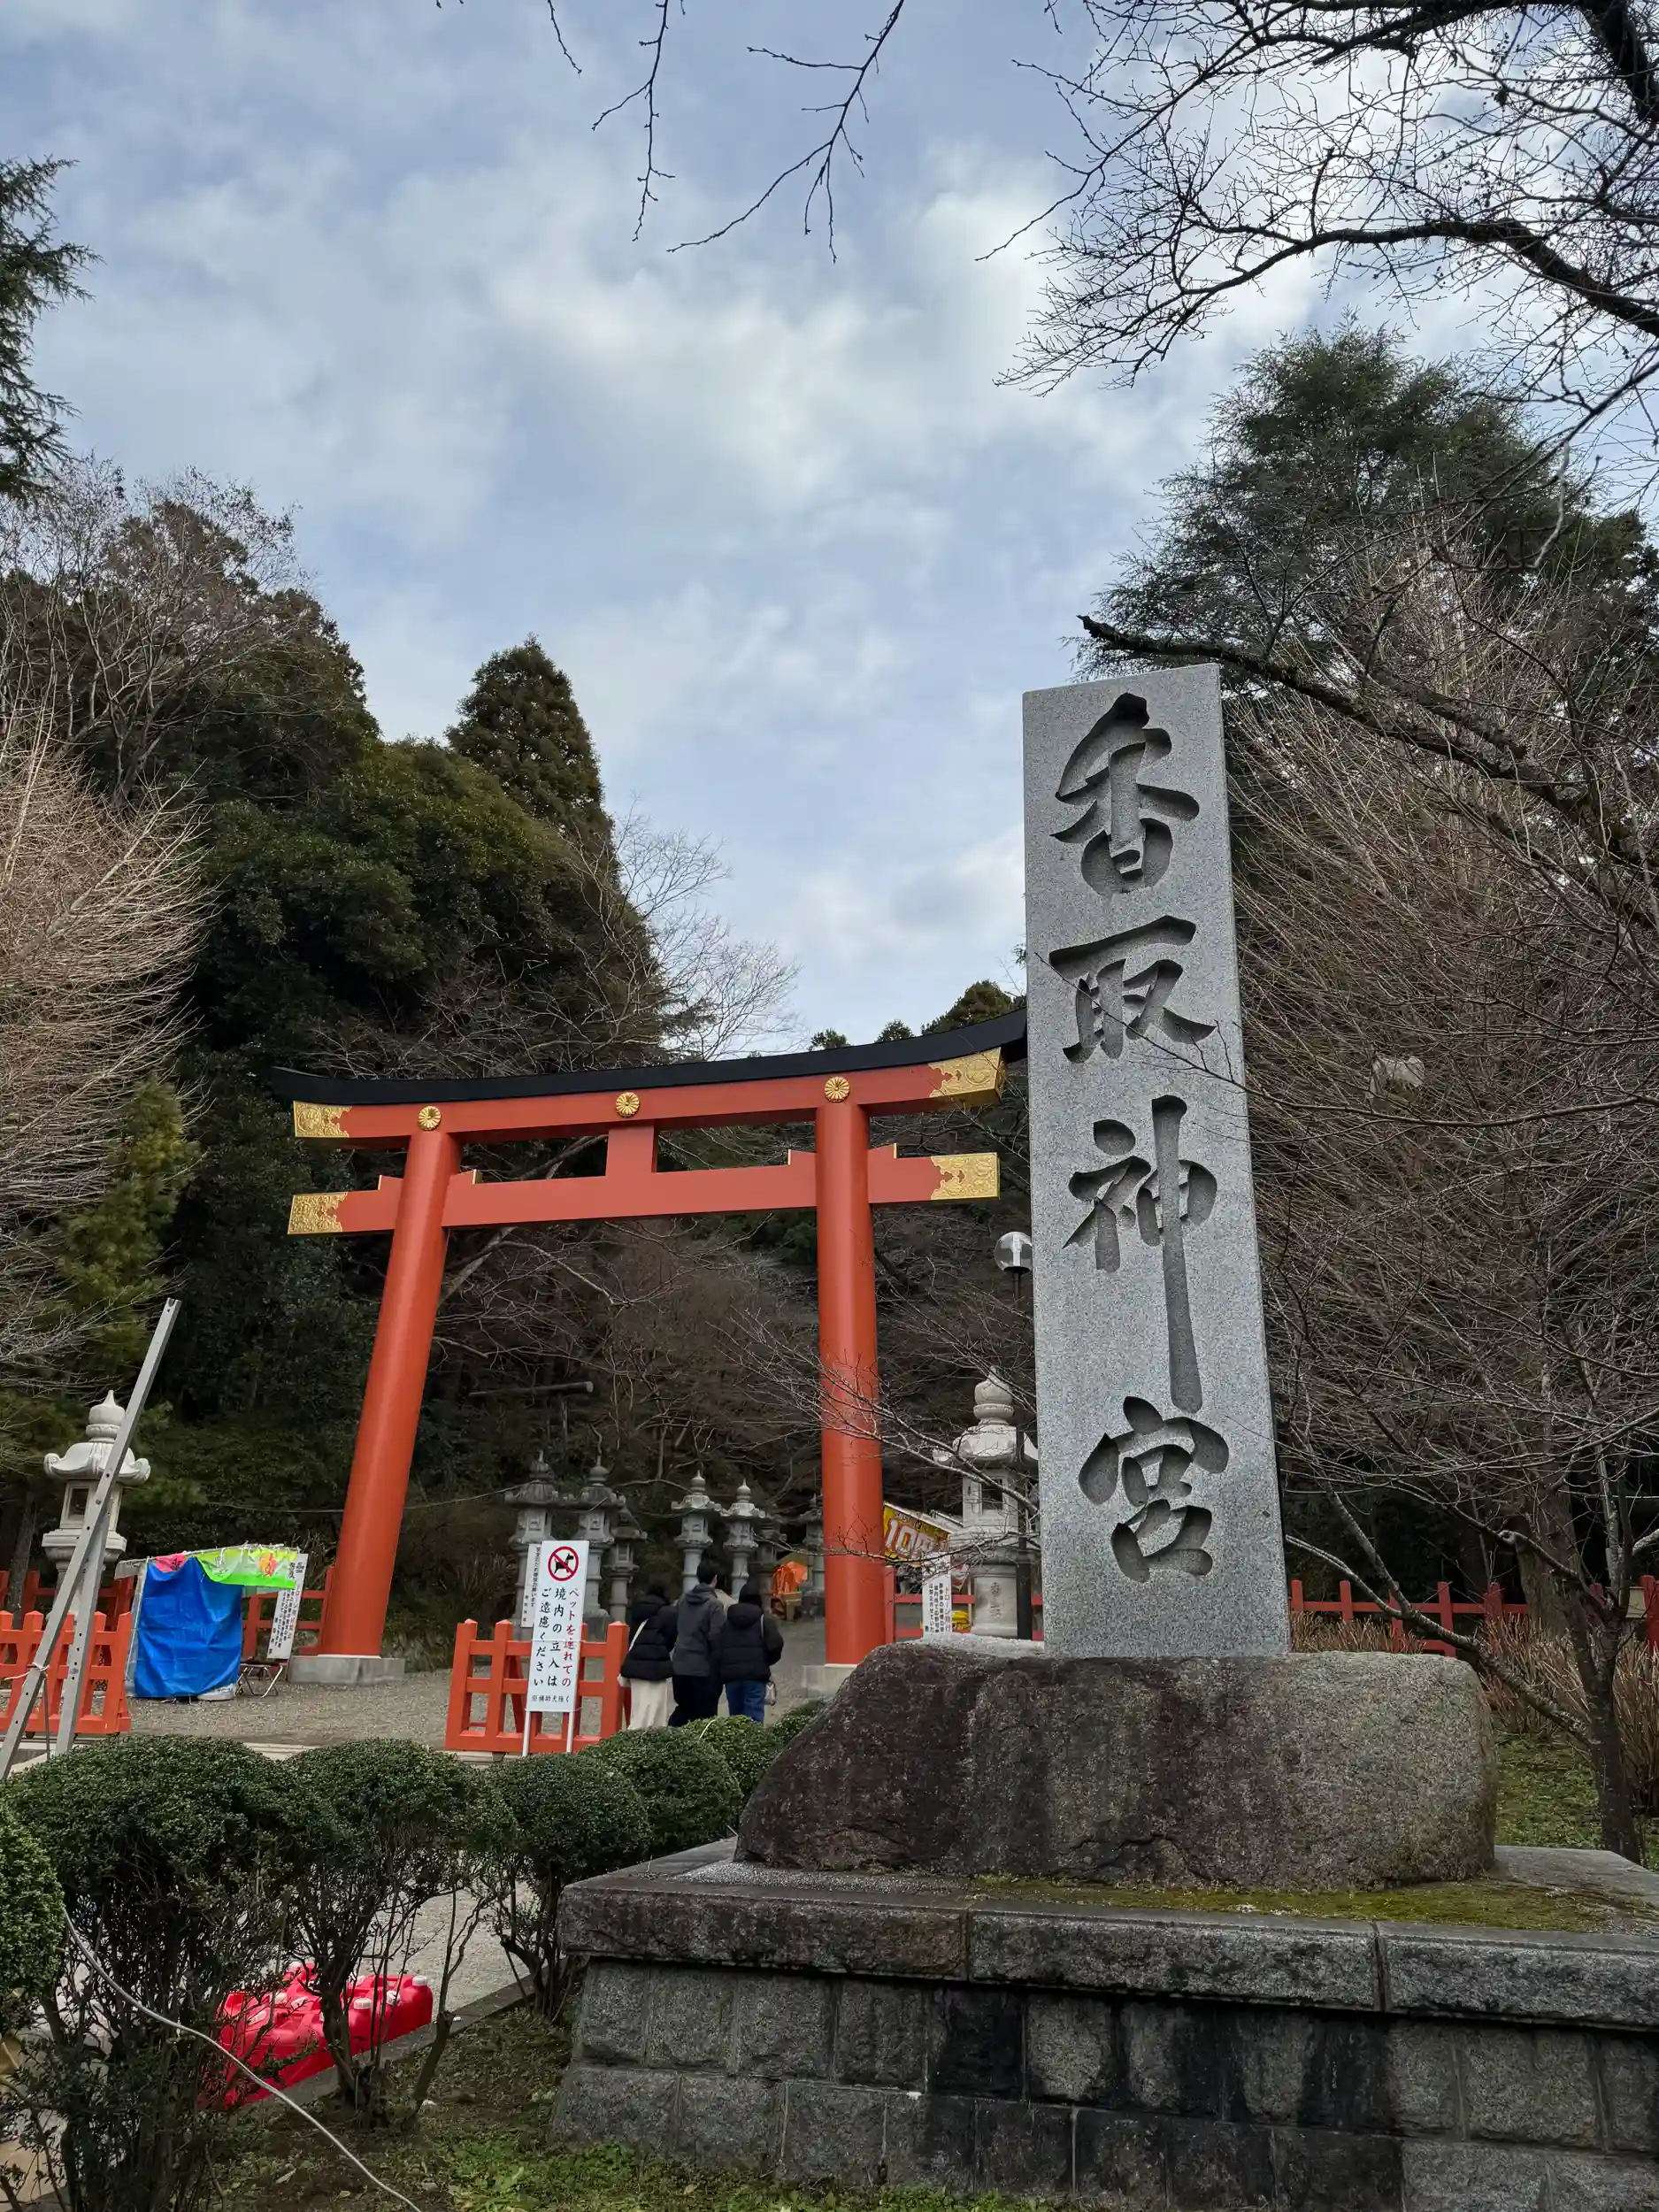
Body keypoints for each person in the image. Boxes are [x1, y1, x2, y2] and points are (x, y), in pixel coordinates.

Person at [666, 1562, 726, 1725]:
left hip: (680, 1664)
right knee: (705, 1716)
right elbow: (716, 1639)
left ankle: (671, 1736)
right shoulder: (715, 1605)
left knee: (684, 1709)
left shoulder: (683, 1600)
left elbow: (675, 1626)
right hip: (702, 1668)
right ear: (715, 1579)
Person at [717, 1579, 785, 1723]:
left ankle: (738, 1737)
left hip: (732, 1676)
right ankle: (753, 1737)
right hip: (755, 1675)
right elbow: (776, 1644)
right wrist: (766, 1661)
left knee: (735, 1719)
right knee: (754, 1716)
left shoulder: (727, 1621)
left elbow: (718, 1645)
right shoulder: (764, 1621)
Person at [620, 1582, 674, 1730]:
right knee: (656, 1711)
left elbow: (632, 1635)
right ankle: (650, 1739)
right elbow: (671, 1637)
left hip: (636, 1663)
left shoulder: (637, 1610)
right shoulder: (668, 1612)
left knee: (639, 1709)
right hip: (657, 1666)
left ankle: (634, 1736)